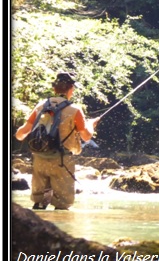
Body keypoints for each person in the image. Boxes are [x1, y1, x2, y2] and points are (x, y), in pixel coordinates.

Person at [15, 72, 100, 210]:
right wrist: (91, 124)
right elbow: (86, 137)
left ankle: (37, 228)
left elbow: (20, 134)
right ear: (71, 89)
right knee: (62, 205)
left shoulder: (41, 106)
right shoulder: (74, 110)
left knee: (39, 203)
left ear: (54, 89)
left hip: (39, 161)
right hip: (62, 161)